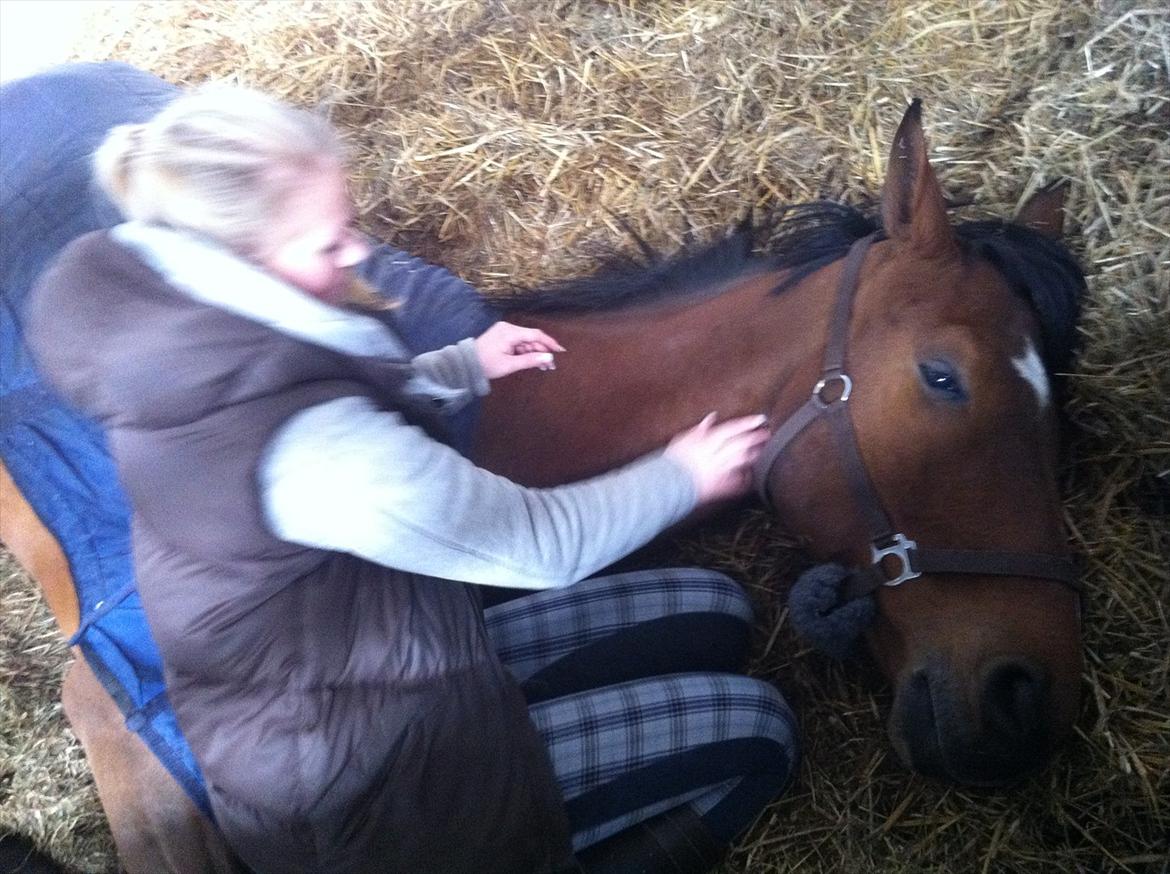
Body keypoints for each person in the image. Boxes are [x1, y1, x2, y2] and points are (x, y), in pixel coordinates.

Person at [20, 76, 798, 874]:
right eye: (327, 244)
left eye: (349, 221)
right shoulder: (321, 454)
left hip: (350, 666)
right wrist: (681, 474)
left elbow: (306, 395)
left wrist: (462, 365)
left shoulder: (186, 335)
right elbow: (544, 544)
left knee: (717, 604)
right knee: (759, 729)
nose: (358, 253)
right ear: (241, 264)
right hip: (374, 793)